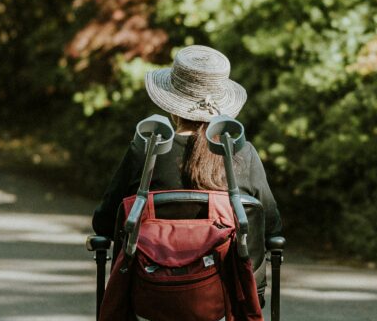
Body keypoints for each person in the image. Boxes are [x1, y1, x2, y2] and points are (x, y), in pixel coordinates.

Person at [90, 45, 281, 277]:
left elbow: (104, 223)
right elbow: (271, 227)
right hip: (228, 289)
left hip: (150, 287)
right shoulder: (243, 154)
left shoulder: (144, 152)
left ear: (172, 106)